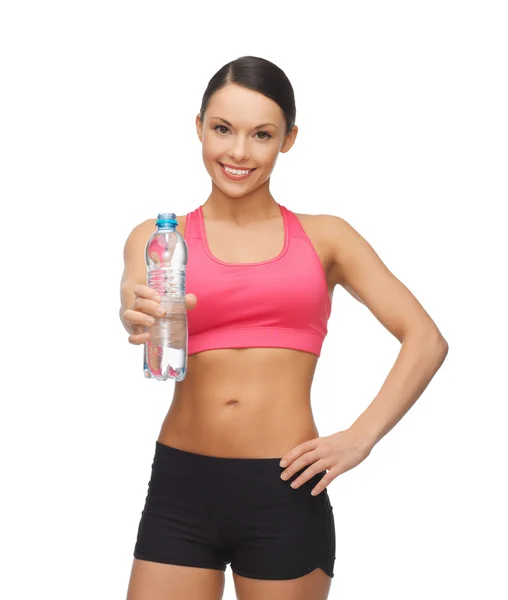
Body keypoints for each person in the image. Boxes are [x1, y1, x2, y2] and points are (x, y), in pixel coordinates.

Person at [119, 55, 448, 600]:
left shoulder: (328, 238)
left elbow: (426, 339)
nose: (239, 152)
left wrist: (358, 439)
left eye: (262, 134)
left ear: (288, 139)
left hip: (285, 487)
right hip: (181, 486)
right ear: (198, 127)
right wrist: (135, 313)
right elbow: (136, 297)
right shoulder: (160, 239)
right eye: (222, 129)